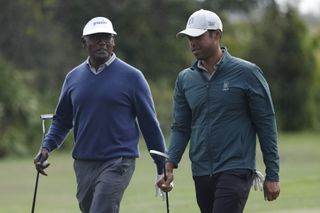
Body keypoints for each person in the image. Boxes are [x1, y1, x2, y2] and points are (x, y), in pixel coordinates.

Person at [34, 16, 167, 213]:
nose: (102, 42)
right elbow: (62, 120)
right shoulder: (73, 78)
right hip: (84, 163)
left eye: (107, 37)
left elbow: (149, 123)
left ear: (114, 41)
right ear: (84, 42)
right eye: (95, 38)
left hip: (119, 161)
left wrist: (161, 166)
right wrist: (46, 147)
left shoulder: (133, 77)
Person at [157, 9, 280, 213]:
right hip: (201, 171)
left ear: (217, 34)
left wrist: (273, 174)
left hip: (236, 168)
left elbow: (266, 123)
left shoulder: (247, 73)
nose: (192, 43)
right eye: (189, 38)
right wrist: (170, 164)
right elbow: (180, 126)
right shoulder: (185, 79)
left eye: (198, 36)